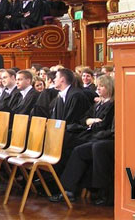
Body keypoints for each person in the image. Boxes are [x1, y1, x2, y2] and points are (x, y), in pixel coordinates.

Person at [50, 75, 115, 204]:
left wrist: (91, 122)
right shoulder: (99, 103)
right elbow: (84, 119)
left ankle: (75, 189)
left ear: (109, 87)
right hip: (92, 135)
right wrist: (91, 121)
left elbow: (102, 125)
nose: (98, 89)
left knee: (77, 148)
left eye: (101, 86)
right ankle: (67, 190)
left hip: (101, 137)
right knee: (72, 147)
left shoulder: (112, 104)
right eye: (97, 86)